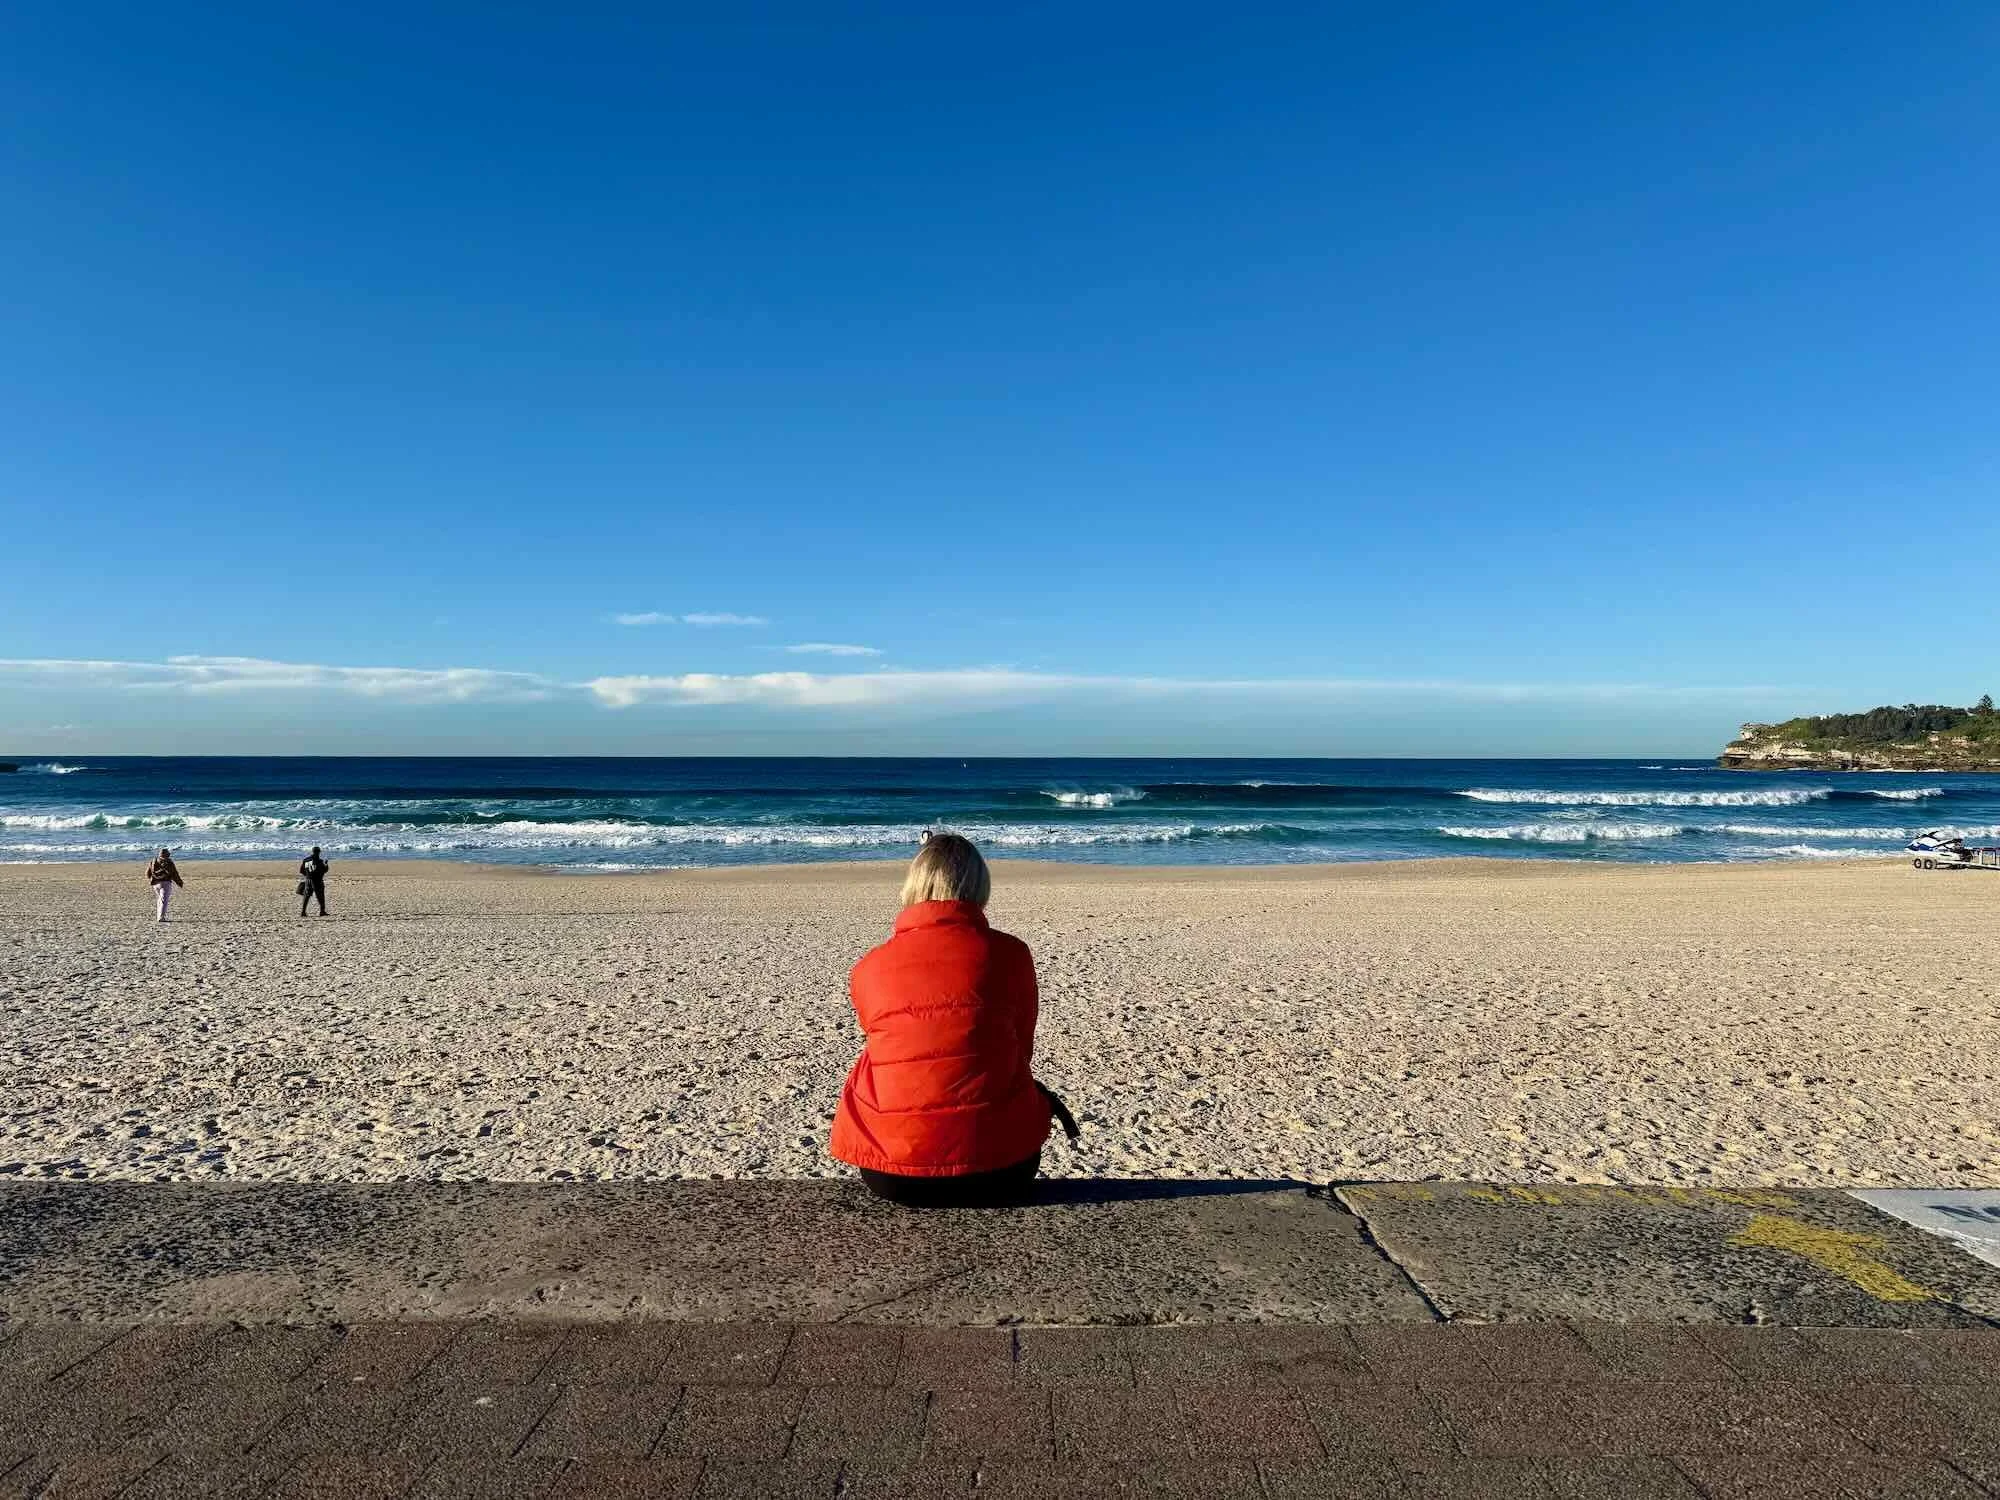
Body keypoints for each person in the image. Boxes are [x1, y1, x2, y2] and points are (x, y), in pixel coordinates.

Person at [829, 833, 1053, 1207]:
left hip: (890, 1172)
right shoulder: (1011, 954)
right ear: (980, 885)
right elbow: (1022, 1049)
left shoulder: (869, 967)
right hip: (1001, 1168)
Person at [146, 848, 183, 923]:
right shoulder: (169, 862)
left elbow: (148, 873)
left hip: (155, 883)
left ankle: (159, 916)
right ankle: (161, 917)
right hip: (165, 883)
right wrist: (179, 882)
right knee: (164, 900)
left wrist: (151, 879)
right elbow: (174, 874)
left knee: (160, 900)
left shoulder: (153, 861)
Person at [298, 846, 329, 917]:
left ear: (312, 851)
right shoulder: (319, 861)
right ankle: (322, 911)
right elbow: (324, 870)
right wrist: (326, 864)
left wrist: (308, 876)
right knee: (320, 896)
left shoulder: (306, 860)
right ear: (318, 852)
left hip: (308, 880)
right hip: (317, 881)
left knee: (306, 896)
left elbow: (302, 871)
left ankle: (303, 912)